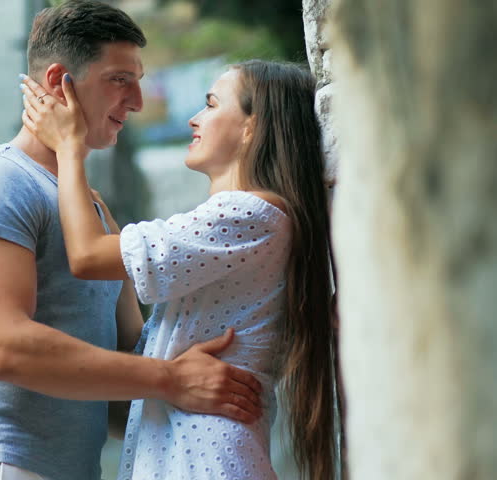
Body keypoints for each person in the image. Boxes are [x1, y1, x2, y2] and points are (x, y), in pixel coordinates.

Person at [0, 2, 265, 480]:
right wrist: (169, 379)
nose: (139, 101)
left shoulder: (92, 209)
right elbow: (3, 347)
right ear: (60, 81)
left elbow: (127, 352)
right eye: (120, 79)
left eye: (139, 79)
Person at [19, 59, 338, 479]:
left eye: (210, 104)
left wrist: (69, 148)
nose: (193, 118)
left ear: (251, 127)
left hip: (207, 459)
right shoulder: (255, 220)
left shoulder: (249, 213)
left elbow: (87, 257)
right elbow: (142, 341)